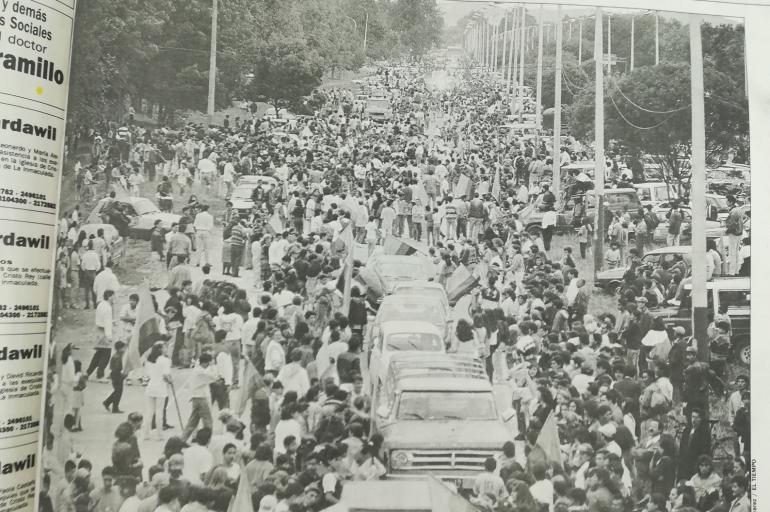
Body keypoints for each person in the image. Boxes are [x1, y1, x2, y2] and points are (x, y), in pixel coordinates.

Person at [143, 342, 172, 440]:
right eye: (165, 348)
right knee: (159, 412)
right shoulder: (165, 360)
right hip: (160, 387)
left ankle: (146, 434)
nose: (166, 349)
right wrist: (170, 381)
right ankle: (159, 435)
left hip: (151, 386)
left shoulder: (149, 360)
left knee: (149, 411)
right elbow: (166, 375)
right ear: (161, 349)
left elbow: (148, 373)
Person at [103, 341, 126, 414]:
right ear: (120, 348)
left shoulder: (117, 355)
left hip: (115, 374)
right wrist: (122, 375)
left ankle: (107, 402)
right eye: (123, 347)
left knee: (117, 391)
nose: (125, 349)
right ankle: (114, 408)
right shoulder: (118, 356)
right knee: (118, 392)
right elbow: (117, 367)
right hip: (117, 374)